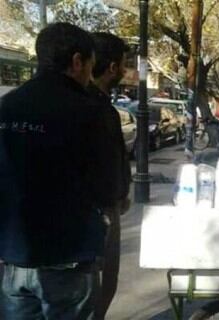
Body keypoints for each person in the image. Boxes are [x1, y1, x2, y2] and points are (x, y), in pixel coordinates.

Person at [0, 23, 108, 319]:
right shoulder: (88, 111)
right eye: (90, 66)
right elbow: (106, 186)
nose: (89, 75)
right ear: (77, 61)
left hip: (14, 257)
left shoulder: (7, 107)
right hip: (68, 255)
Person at [88, 32, 132, 320]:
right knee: (99, 286)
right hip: (100, 211)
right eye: (125, 64)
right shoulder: (97, 108)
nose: (127, 71)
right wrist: (116, 198)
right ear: (112, 68)